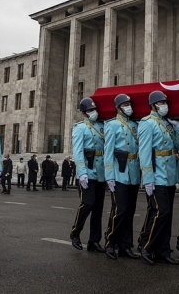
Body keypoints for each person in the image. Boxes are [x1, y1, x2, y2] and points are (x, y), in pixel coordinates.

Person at [138, 91, 179, 266]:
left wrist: (178, 129)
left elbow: (178, 145)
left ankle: (163, 251)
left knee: (167, 214)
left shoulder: (167, 124)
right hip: (156, 176)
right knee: (160, 212)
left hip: (169, 176)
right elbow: (144, 152)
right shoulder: (147, 123)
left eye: (166, 102)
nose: (165, 105)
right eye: (161, 102)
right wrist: (148, 177)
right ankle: (147, 246)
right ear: (153, 105)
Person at [103, 94, 141, 260]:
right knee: (120, 209)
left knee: (130, 211)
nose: (129, 107)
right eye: (125, 104)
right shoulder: (112, 125)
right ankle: (110, 242)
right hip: (119, 172)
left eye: (129, 104)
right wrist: (109, 176)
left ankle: (125, 245)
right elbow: (108, 152)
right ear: (118, 107)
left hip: (132, 173)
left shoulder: (134, 125)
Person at [70, 97, 106, 253]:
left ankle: (94, 241)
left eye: (94, 109)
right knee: (87, 203)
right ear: (84, 113)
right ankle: (75, 232)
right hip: (87, 172)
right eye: (90, 111)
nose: (94, 112)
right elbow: (77, 152)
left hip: (100, 173)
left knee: (98, 208)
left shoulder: (102, 126)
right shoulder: (79, 128)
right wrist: (82, 172)